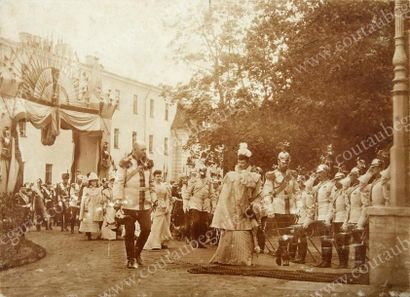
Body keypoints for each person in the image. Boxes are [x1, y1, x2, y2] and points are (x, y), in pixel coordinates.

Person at [210, 143, 262, 266]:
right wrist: (223, 213)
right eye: (240, 161)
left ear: (248, 162)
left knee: (244, 233)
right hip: (231, 211)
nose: (241, 164)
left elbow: (258, 195)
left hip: (245, 211)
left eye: (244, 161)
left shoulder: (254, 177)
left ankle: (244, 259)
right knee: (229, 232)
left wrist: (254, 207)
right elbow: (224, 196)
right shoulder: (230, 176)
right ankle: (224, 258)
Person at [113, 142, 156, 269]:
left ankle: (136, 253)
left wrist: (154, 199)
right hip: (129, 204)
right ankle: (130, 259)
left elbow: (151, 183)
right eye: (142, 149)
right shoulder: (125, 163)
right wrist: (118, 200)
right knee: (130, 232)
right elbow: (119, 182)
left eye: (145, 149)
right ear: (134, 150)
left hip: (144, 204)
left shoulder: (148, 164)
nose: (144, 152)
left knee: (147, 229)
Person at [262, 150, 298, 266]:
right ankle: (285, 255)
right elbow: (267, 193)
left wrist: (299, 207)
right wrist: (269, 209)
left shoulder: (291, 175)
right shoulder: (271, 175)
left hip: (291, 208)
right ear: (278, 161)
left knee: (288, 233)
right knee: (283, 232)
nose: (285, 164)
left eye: (287, 162)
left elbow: (297, 192)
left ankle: (279, 252)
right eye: (282, 162)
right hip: (278, 207)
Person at [305, 164, 334, 268]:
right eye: (318, 172)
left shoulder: (330, 184)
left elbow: (331, 201)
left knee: (326, 238)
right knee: (323, 238)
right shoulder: (319, 185)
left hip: (326, 212)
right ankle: (324, 260)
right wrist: (312, 178)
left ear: (327, 172)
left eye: (321, 172)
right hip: (319, 213)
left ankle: (327, 261)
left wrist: (328, 217)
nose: (319, 174)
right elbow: (308, 189)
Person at [325, 172, 349, 268]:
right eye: (335, 179)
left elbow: (348, 207)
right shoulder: (335, 192)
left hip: (343, 219)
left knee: (344, 242)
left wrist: (346, 222)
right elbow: (332, 207)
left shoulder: (346, 191)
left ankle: (344, 262)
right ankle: (341, 262)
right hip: (336, 219)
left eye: (339, 179)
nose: (336, 181)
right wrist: (328, 219)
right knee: (337, 241)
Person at [144, 170, 173, 250]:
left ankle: (162, 242)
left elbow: (166, 197)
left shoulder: (164, 186)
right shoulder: (152, 186)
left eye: (160, 176)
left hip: (164, 206)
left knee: (164, 225)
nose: (159, 178)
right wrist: (152, 204)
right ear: (154, 177)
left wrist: (167, 206)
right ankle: (154, 243)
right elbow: (149, 196)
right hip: (155, 206)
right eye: (157, 176)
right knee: (156, 224)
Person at [186, 167, 214, 248]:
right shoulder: (194, 180)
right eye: (201, 171)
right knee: (196, 221)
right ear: (199, 171)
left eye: (204, 171)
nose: (203, 172)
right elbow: (188, 192)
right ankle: (193, 240)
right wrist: (186, 203)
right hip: (195, 201)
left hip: (205, 203)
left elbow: (212, 194)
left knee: (203, 223)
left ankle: (200, 242)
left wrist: (214, 205)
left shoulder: (209, 181)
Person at [79, 172, 103, 240]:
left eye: (95, 181)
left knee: (95, 220)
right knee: (88, 220)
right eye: (92, 181)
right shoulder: (86, 189)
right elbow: (84, 198)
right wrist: (86, 204)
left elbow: (100, 198)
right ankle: (88, 234)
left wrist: (100, 200)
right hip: (89, 205)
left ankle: (96, 233)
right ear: (90, 182)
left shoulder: (98, 189)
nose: (94, 182)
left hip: (95, 206)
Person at [101, 175, 117, 240]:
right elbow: (104, 201)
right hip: (108, 207)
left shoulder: (117, 190)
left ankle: (112, 235)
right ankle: (108, 235)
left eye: (114, 183)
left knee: (114, 220)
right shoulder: (105, 191)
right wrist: (104, 207)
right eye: (111, 182)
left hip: (115, 207)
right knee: (108, 220)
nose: (112, 184)